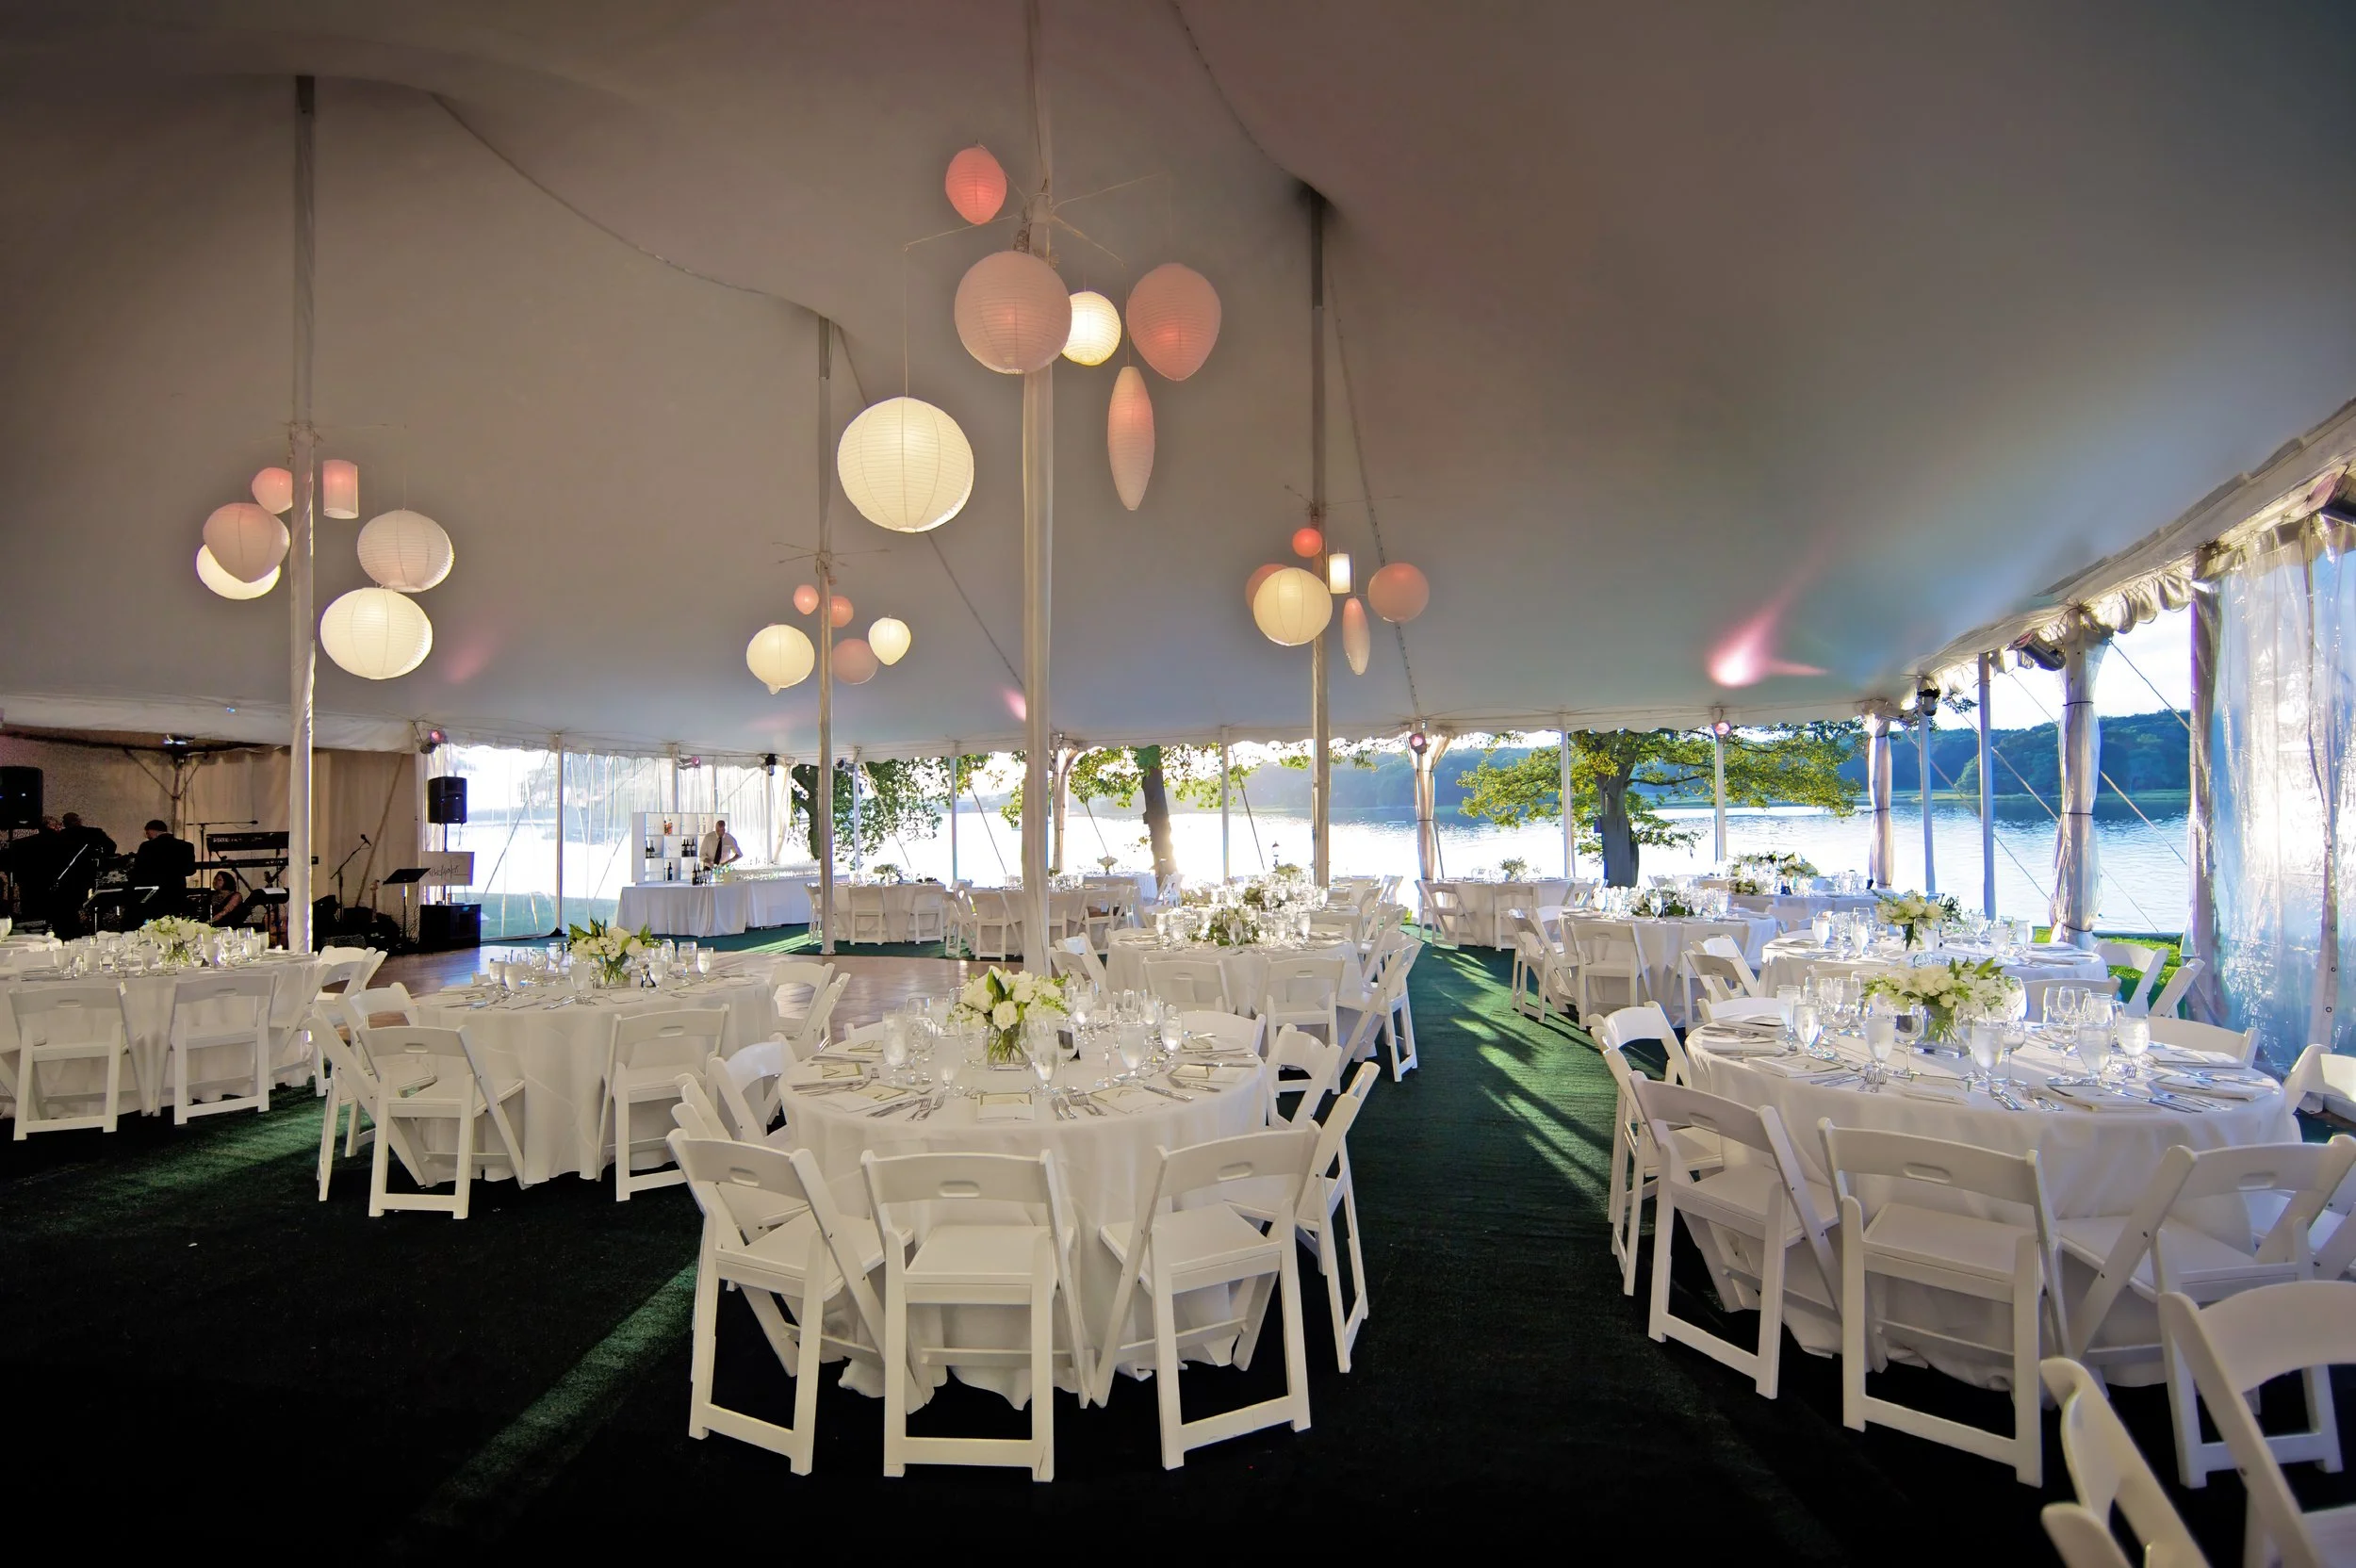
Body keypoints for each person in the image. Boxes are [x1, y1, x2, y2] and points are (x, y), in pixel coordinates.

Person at [130, 819, 197, 917]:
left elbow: (139, 871)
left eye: (148, 834)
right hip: (177, 892)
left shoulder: (147, 846)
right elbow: (190, 870)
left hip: (153, 894)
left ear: (153, 831)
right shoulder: (186, 846)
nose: (148, 837)